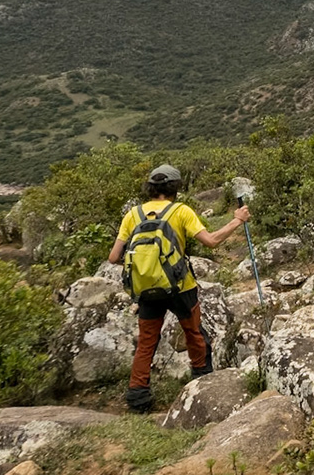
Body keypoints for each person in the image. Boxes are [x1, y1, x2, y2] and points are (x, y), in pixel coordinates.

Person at [106, 164, 251, 411]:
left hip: (145, 289)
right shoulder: (181, 211)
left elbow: (113, 257)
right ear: (176, 188)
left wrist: (145, 265)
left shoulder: (133, 215)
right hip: (180, 286)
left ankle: (138, 398)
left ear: (150, 188)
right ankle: (201, 382)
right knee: (194, 333)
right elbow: (211, 241)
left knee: (146, 342)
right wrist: (237, 220)